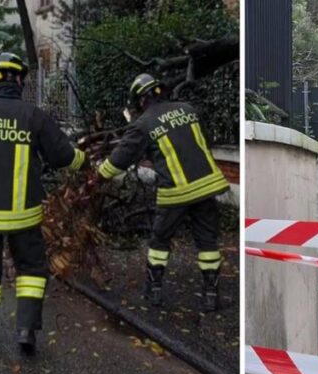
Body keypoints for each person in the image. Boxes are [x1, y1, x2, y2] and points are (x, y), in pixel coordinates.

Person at [0, 52, 86, 353]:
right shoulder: (33, 116)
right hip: (24, 218)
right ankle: (26, 330)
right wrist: (85, 161)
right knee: (32, 270)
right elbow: (63, 156)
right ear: (19, 80)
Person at [97, 73, 229, 311]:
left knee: (160, 241)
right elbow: (202, 143)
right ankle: (211, 295)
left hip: (176, 192)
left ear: (139, 101)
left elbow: (120, 158)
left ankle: (154, 291)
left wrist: (96, 176)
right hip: (208, 185)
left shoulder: (144, 123)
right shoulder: (189, 110)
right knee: (207, 241)